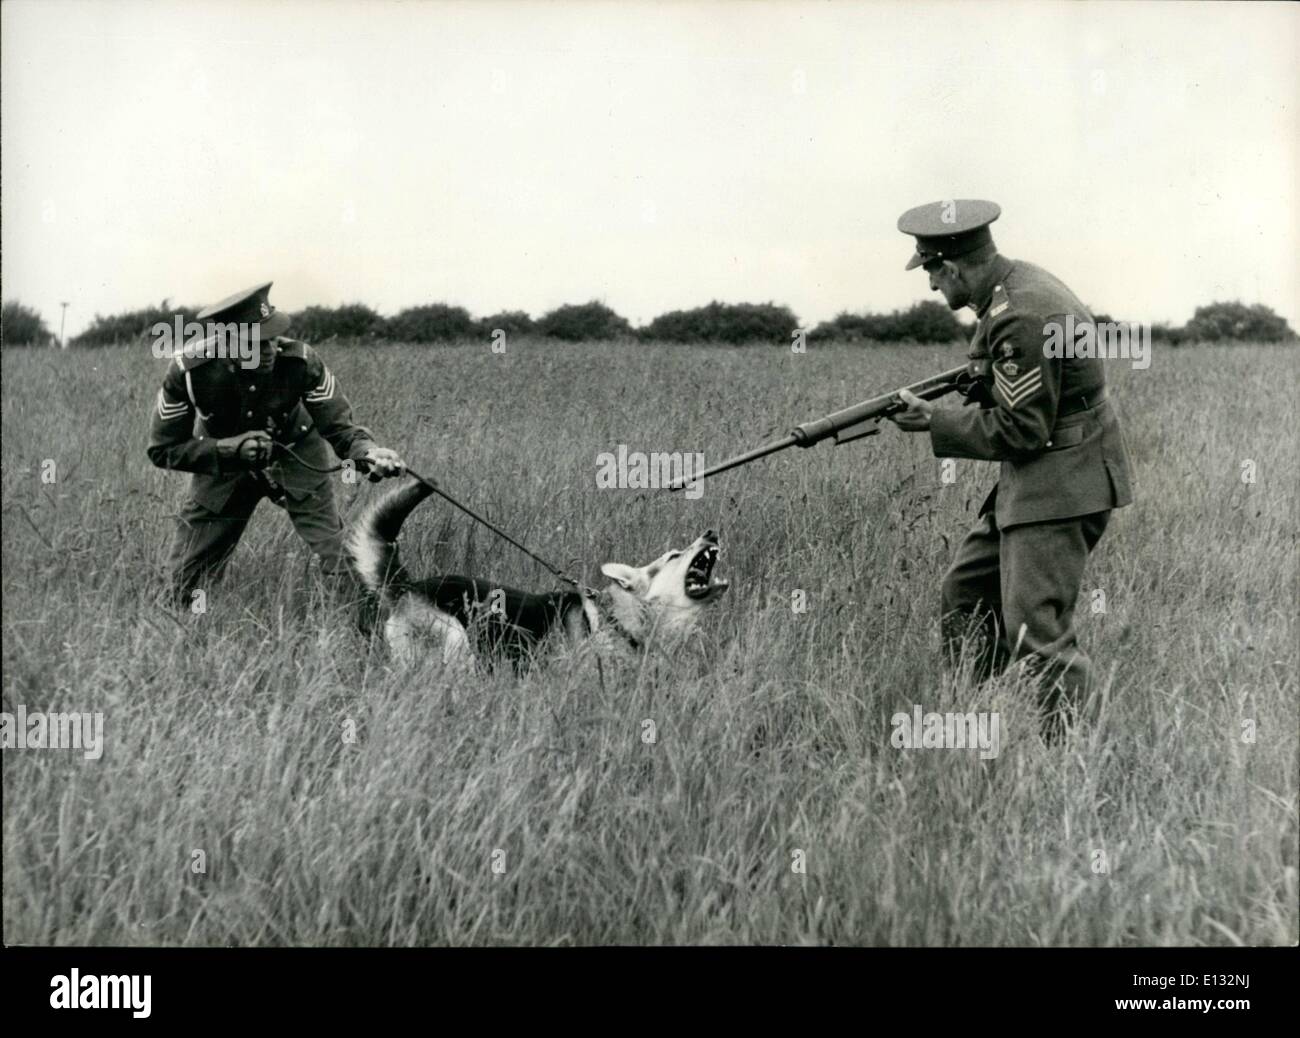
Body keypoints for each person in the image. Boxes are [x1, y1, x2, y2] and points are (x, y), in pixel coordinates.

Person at [887, 200, 1134, 731]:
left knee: (1036, 633)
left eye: (930, 271)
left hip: (1061, 484)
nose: (931, 286)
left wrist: (937, 421)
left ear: (951, 267)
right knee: (967, 592)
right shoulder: (1015, 287)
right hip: (1046, 474)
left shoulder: (1019, 313)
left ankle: (1072, 763)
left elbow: (1025, 429)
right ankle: (978, 719)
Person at [147, 282, 405, 606]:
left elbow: (341, 428)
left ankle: (368, 632)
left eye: (272, 337)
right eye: (256, 342)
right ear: (225, 342)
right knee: (184, 575)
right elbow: (162, 450)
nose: (270, 349)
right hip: (225, 465)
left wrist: (368, 453)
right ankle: (177, 630)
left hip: (296, 451)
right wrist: (227, 449)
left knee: (338, 554)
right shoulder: (188, 372)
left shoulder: (301, 361)